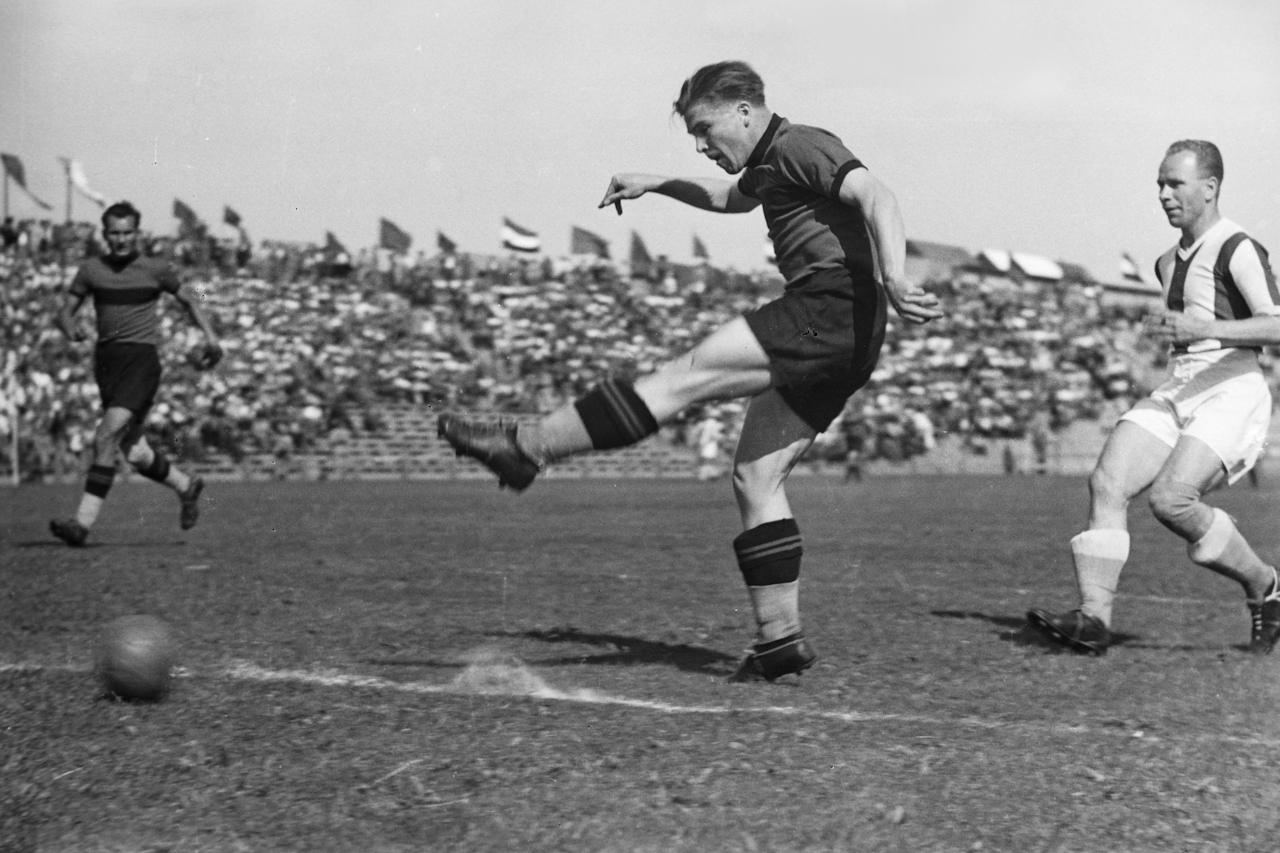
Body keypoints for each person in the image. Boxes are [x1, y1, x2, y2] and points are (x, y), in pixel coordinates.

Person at [439, 61, 941, 682]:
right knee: (756, 478)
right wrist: (657, 181)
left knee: (682, 377)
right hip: (850, 331)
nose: (703, 145)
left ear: (744, 111)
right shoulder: (767, 162)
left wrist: (895, 273)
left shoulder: (798, 143)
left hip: (830, 308)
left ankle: (527, 448)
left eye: (706, 129)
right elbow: (729, 197)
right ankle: (779, 639)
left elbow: (875, 194)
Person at [1028, 140, 1280, 655]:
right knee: (1107, 481)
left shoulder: (1238, 247)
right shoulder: (1167, 262)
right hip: (1182, 383)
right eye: (1160, 185)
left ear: (1209, 188)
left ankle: (1265, 585)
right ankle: (1093, 620)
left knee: (1171, 501)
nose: (1164, 194)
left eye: (1175, 184)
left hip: (1230, 386)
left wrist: (1201, 326)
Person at [49, 201, 222, 547]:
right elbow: (64, 313)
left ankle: (81, 524)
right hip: (107, 363)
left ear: (137, 233)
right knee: (133, 449)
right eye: (115, 233)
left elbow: (189, 299)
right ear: (105, 234)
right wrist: (70, 329)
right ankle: (187, 486)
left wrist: (211, 336)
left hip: (142, 362)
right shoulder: (90, 270)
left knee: (106, 435)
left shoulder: (155, 269)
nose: (122, 240)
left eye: (128, 232)